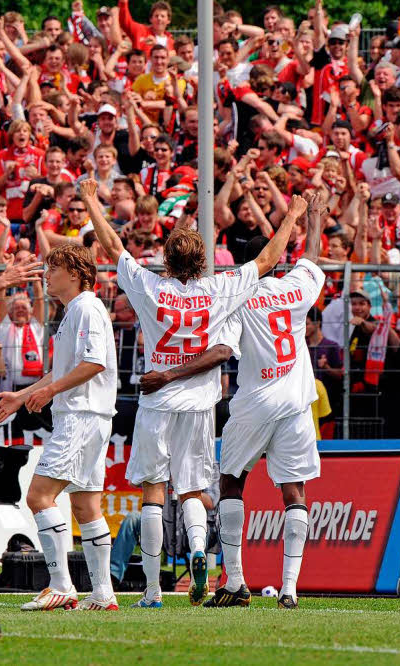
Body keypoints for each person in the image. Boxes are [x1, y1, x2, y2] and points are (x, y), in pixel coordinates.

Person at [78, 177, 307, 608]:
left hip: (158, 400)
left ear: (166, 258)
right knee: (193, 490)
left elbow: (112, 247)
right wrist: (292, 215)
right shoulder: (218, 288)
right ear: (203, 261)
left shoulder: (149, 287)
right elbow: (266, 259)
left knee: (152, 489)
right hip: (202, 402)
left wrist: (91, 200)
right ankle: (201, 551)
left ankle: (150, 591)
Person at [139, 190, 328, 609]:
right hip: (298, 403)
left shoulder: (238, 297)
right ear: (279, 262)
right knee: (293, 491)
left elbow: (222, 352)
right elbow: (312, 260)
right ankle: (291, 589)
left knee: (230, 484)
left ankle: (236, 580)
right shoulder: (296, 287)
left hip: (255, 404)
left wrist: (168, 373)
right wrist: (313, 218)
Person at [0, 245, 119, 611]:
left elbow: (94, 363)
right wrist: (23, 395)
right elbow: (66, 369)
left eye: (53, 269)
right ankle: (103, 593)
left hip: (80, 415)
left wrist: (49, 391)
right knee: (85, 505)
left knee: (38, 497)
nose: (47, 276)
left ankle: (61, 585)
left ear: (75, 274)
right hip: (88, 415)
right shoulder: (76, 310)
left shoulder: (86, 308)